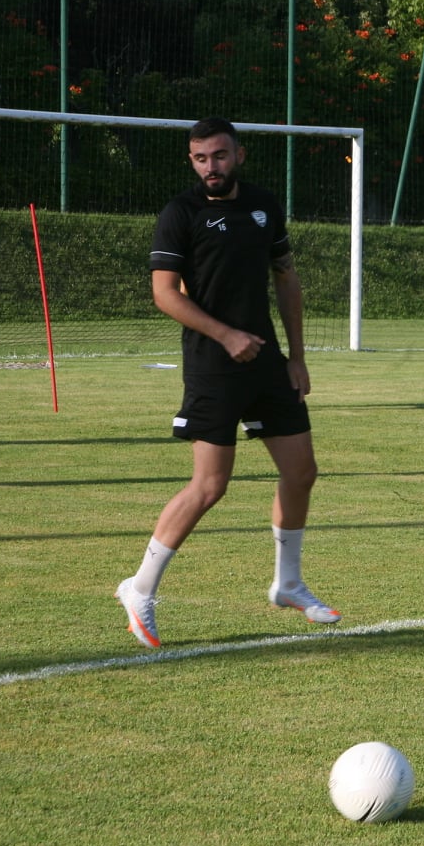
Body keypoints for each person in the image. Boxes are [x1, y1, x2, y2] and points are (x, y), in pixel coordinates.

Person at [115, 116, 339, 648]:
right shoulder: (180, 213)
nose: (210, 167)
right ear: (191, 162)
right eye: (200, 159)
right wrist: (226, 335)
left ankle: (287, 582)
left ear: (239, 155)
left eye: (218, 156)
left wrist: (297, 357)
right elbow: (165, 293)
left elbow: (286, 278)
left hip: (267, 362)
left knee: (302, 471)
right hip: (213, 364)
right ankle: (139, 587)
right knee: (210, 486)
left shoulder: (264, 205)